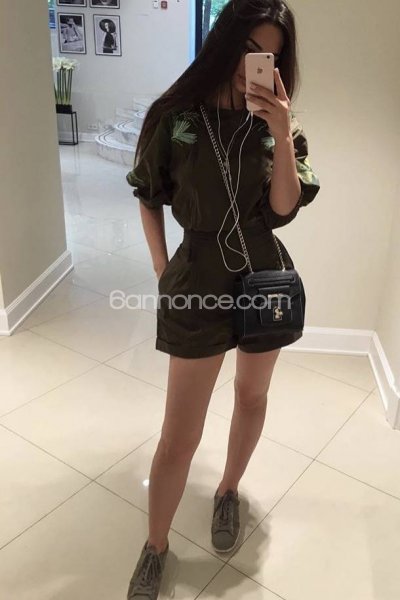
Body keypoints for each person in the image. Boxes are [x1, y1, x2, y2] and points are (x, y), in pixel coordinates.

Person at [125, 1, 321, 598]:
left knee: (251, 396)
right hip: (197, 280)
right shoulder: (175, 117)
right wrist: (163, 268)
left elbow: (284, 208)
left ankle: (228, 490)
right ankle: (155, 544)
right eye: (248, 48)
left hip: (264, 277)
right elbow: (148, 192)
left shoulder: (278, 124)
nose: (253, 63)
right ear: (222, 41)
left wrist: (281, 132)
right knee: (178, 434)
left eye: (270, 55)